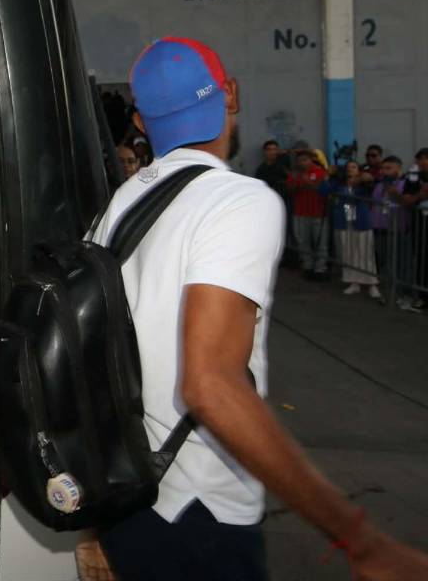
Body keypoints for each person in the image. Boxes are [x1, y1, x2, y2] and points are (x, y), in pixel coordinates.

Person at [90, 36, 428, 581]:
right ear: (230, 94)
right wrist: (360, 540)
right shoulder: (238, 201)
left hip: (133, 499)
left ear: (141, 120)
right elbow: (210, 385)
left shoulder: (120, 205)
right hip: (203, 512)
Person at [323, 160, 382, 301]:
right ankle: (353, 282)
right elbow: (324, 191)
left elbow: (371, 188)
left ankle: (372, 284)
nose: (350, 170)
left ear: (359, 170)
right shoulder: (339, 184)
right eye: (348, 167)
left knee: (365, 253)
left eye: (353, 167)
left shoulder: (363, 184)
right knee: (348, 252)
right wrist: (327, 176)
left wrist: (367, 179)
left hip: (361, 221)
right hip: (345, 221)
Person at [287, 149, 330, 279]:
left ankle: (320, 269)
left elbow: (323, 189)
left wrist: (308, 182)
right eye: (300, 160)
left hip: (318, 213)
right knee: (303, 242)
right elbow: (290, 191)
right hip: (300, 212)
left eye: (305, 160)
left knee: (320, 242)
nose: (302, 163)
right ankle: (308, 267)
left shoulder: (320, 172)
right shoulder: (294, 174)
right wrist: (296, 183)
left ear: (311, 160)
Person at [398, 149, 428, 311]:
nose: (423, 162)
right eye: (420, 159)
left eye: (426, 159)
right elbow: (406, 200)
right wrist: (421, 195)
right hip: (421, 223)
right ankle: (423, 297)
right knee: (422, 259)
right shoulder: (413, 177)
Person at [371, 155, 405, 284]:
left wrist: (395, 193)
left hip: (397, 229)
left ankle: (398, 287)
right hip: (379, 228)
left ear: (398, 169)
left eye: (388, 168)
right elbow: (374, 204)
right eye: (383, 168)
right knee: (382, 257)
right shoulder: (379, 185)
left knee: (398, 260)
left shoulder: (404, 185)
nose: (384, 171)